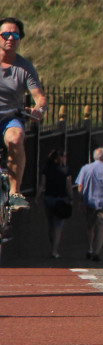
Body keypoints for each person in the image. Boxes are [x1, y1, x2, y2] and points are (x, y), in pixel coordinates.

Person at [0, 17, 48, 210]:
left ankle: (15, 192)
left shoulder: (25, 67)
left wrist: (39, 110)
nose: (10, 38)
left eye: (15, 35)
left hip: (10, 119)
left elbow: (40, 97)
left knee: (17, 138)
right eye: (5, 34)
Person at [75, 147, 103, 262]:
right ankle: (97, 252)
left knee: (90, 226)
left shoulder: (85, 169)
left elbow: (80, 186)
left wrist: (81, 200)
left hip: (89, 201)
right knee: (101, 227)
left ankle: (90, 248)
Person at [38, 148, 72, 259]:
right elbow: (68, 186)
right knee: (58, 226)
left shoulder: (46, 169)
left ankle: (52, 247)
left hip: (48, 198)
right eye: (64, 156)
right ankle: (54, 250)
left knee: (51, 225)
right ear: (59, 158)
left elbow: (43, 184)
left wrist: (37, 197)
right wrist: (71, 198)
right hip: (61, 199)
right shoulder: (66, 170)